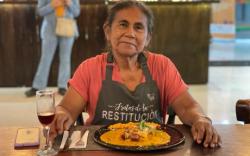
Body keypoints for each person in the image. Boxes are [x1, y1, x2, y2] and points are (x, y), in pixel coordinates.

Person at [50, 0, 221, 148]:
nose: (130, 33)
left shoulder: (162, 66)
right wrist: (61, 115)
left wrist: (201, 119)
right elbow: (66, 108)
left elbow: (188, 107)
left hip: (152, 148)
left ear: (147, 38)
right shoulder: (90, 68)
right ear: (108, 32)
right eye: (123, 24)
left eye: (138, 27)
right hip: (100, 150)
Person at [25, 0, 80, 97]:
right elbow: (40, 11)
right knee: (45, 58)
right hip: (49, 30)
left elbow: (77, 12)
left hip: (67, 28)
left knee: (65, 59)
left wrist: (69, 3)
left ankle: (63, 86)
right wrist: (51, 5)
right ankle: (38, 87)